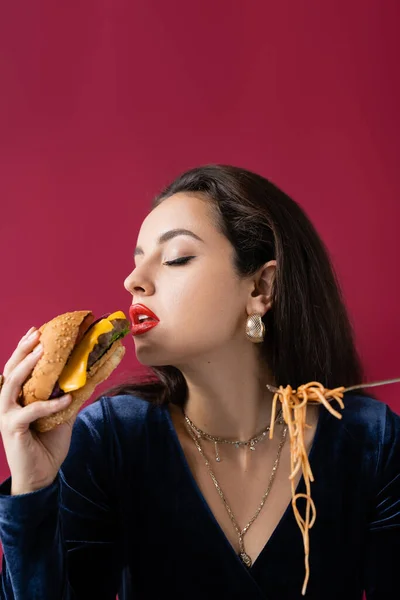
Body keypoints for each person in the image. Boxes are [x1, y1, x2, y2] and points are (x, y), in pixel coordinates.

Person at [0, 164, 399, 600]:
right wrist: (33, 489)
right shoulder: (111, 438)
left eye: (176, 258)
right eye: (137, 262)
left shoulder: (370, 441)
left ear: (261, 288)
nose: (132, 281)